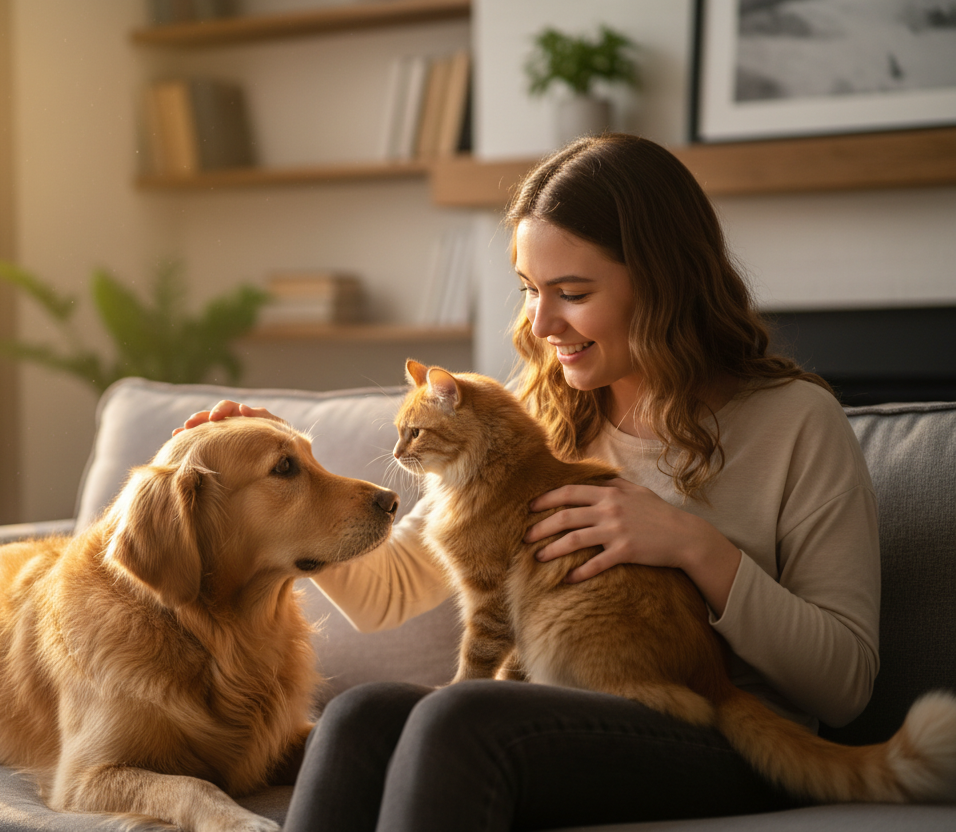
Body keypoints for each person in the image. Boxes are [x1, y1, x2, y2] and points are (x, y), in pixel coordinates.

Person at [176, 133, 879, 831]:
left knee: (461, 715)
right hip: (563, 711)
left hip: (720, 736)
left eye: (571, 293)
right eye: (530, 291)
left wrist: (696, 548)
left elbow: (844, 686)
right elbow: (389, 590)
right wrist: (276, 481)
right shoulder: (533, 417)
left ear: (664, 283)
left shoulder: (795, 421)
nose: (541, 324)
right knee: (359, 714)